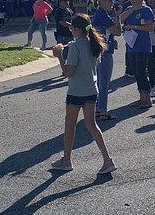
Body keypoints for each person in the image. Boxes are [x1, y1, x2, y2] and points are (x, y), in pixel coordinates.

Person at [48, 14, 117, 175]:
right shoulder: (93, 44)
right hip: (91, 90)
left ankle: (66, 160)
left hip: (76, 91)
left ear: (77, 30)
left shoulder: (75, 47)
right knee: (91, 124)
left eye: (72, 28)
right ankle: (107, 160)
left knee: (70, 125)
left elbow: (68, 72)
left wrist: (59, 56)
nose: (71, 30)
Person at [120, 0, 155, 108]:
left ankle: (148, 99)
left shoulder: (146, 10)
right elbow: (121, 19)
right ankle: (142, 97)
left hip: (143, 46)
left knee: (141, 72)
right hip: (131, 46)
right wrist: (131, 11)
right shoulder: (129, 9)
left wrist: (135, 27)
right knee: (135, 72)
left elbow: (150, 27)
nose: (132, 0)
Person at [91, 0, 121, 121]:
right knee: (104, 83)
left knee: (99, 82)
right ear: (102, 1)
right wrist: (118, 17)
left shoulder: (99, 13)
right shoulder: (103, 15)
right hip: (105, 53)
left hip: (99, 51)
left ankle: (98, 109)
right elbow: (117, 32)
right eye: (110, 0)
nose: (112, 3)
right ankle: (102, 110)